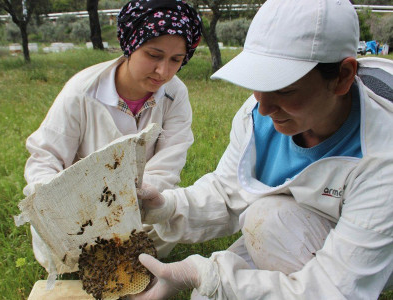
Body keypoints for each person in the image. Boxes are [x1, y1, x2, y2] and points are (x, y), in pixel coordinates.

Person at [133, 0, 393, 299]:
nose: (264, 107)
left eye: (284, 89)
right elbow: (229, 191)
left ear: (343, 77)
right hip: (298, 219)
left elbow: (336, 289)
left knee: (242, 258)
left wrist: (208, 275)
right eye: (258, 82)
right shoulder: (258, 113)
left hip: (377, 242)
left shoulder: (382, 154)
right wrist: (167, 207)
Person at [23, 0, 202, 273]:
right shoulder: (82, 92)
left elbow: (170, 159)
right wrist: (63, 206)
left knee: (171, 221)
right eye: (154, 55)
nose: (163, 72)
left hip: (138, 204)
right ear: (130, 45)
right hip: (80, 207)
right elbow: (45, 156)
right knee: (56, 241)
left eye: (176, 60)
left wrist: (135, 201)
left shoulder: (175, 94)